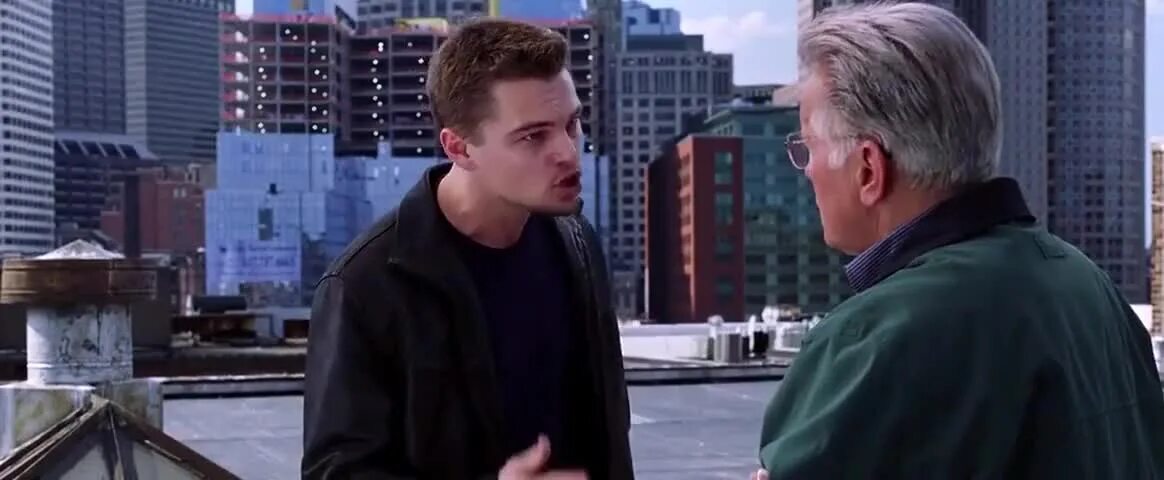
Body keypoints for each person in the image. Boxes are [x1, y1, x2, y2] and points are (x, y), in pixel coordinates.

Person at [754, 3, 1164, 479]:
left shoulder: (877, 337)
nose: (806, 171)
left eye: (807, 148)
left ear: (868, 168)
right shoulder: (1090, 288)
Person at [301, 18, 634, 479]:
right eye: (533, 136)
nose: (568, 152)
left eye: (572, 123)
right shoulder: (364, 286)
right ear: (459, 148)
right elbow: (337, 473)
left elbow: (609, 433)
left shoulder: (577, 242)